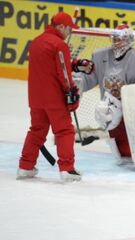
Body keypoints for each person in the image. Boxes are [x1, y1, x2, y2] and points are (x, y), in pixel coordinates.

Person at [18, 12, 94, 181]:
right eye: (69, 29)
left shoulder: (36, 41)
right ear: (61, 27)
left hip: (36, 98)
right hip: (54, 98)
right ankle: (67, 169)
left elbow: (51, 66)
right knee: (65, 130)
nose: (70, 33)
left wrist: (74, 64)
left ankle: (25, 166)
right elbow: (64, 74)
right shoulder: (59, 45)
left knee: (37, 131)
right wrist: (71, 93)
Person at [74, 24, 135, 164]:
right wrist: (76, 83)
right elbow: (89, 78)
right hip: (111, 106)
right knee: (123, 151)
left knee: (133, 148)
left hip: (133, 104)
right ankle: (120, 141)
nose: (116, 42)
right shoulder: (100, 55)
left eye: (120, 39)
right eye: (115, 39)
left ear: (129, 39)